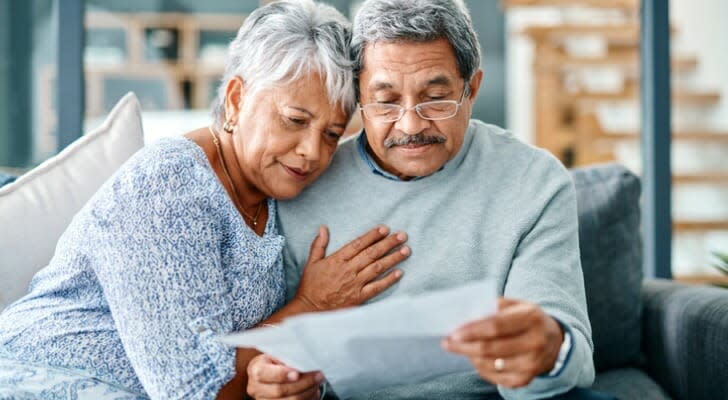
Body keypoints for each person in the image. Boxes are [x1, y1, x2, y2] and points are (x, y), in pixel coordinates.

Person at [0, 1, 410, 399]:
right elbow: (195, 391)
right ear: (236, 99)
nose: (312, 152)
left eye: (331, 134)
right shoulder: (169, 185)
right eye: (295, 120)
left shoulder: (271, 191)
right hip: (43, 380)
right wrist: (311, 304)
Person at [246, 0, 600, 399]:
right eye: (387, 100)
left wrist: (549, 348)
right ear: (359, 98)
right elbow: (292, 363)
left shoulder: (534, 181)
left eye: (435, 97)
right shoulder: (304, 184)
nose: (411, 124)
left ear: (472, 89)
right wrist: (283, 382)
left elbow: (569, 353)